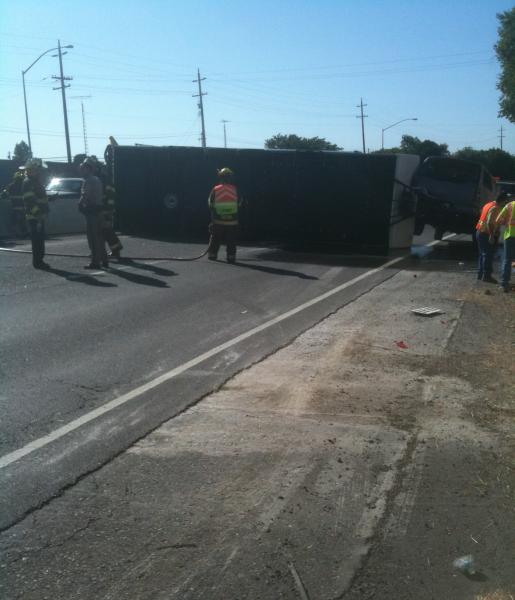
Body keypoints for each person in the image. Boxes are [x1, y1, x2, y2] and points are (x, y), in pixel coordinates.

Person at [79, 158, 108, 269]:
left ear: (88, 169)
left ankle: (95, 262)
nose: (81, 171)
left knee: (93, 238)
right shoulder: (97, 179)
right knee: (99, 237)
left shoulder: (89, 181)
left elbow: (85, 195)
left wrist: (80, 204)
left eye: (83, 169)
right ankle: (104, 259)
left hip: (92, 212)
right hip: (98, 211)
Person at [207, 167, 240, 263]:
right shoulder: (235, 189)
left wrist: (213, 219)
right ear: (230, 178)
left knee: (215, 238)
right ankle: (231, 256)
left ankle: (212, 255)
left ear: (220, 177)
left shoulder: (216, 189)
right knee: (231, 240)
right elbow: (240, 203)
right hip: (232, 221)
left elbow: (210, 204)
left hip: (218, 221)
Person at [22, 158, 50, 269]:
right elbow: (29, 201)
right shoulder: (28, 182)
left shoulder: (35, 182)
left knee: (39, 239)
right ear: (32, 170)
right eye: (37, 170)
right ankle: (38, 262)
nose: (39, 172)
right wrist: (38, 214)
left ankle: (40, 260)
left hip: (39, 216)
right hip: (35, 217)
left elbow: (39, 198)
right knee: (37, 240)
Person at [475, 192, 507, 283]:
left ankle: (480, 274)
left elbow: (482, 215)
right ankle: (487, 276)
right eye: (505, 202)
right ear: (503, 201)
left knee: (482, 254)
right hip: (486, 233)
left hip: (479, 231)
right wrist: (492, 235)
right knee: (487, 255)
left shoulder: (488, 204)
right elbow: (489, 222)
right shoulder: (496, 208)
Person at [98, 164, 123, 258]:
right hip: (104, 210)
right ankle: (109, 250)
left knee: (107, 231)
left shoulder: (105, 182)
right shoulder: (103, 181)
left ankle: (115, 250)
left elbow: (110, 198)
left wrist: (109, 211)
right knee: (105, 231)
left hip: (105, 211)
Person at [495, 193, 515, 293]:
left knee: (507, 260)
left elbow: (498, 220)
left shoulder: (509, 205)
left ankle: (504, 284)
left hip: (509, 236)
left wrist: (507, 223)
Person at [1, 167, 28, 237]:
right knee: (21, 222)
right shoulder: (24, 185)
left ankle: (20, 234)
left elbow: (4, 194)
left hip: (15, 207)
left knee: (17, 222)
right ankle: (23, 234)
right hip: (22, 208)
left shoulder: (11, 186)